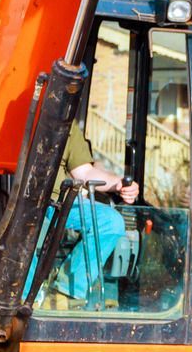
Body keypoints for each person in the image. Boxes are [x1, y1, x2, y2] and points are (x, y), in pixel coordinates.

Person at [49, 123, 139, 301]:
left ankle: (67, 293)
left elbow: (84, 172)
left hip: (59, 202)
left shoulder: (65, 122)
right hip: (24, 202)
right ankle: (23, 299)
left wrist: (117, 183)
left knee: (111, 222)